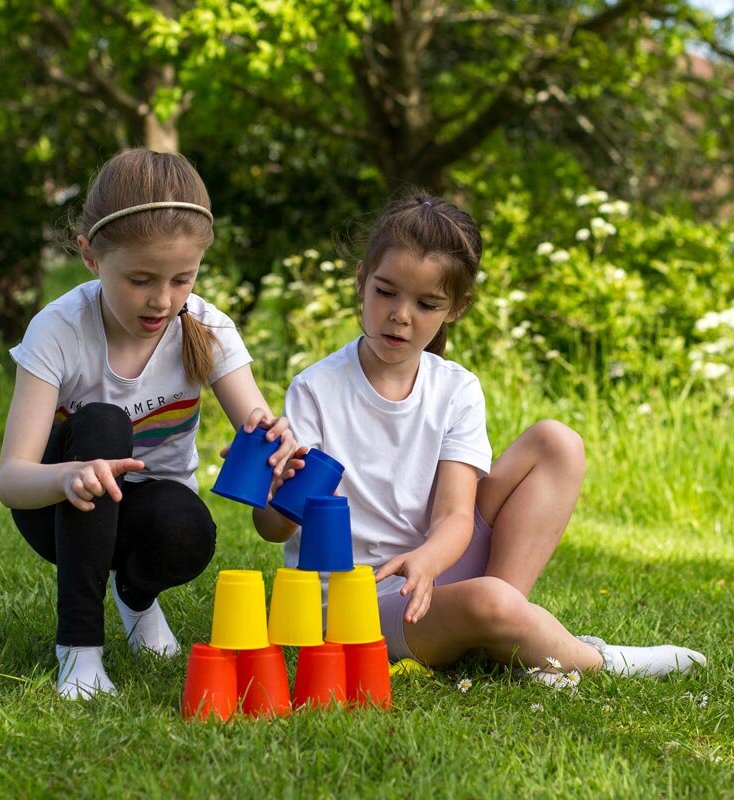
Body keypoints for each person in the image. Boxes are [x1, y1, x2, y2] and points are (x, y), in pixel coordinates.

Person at [254, 195, 706, 681]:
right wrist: (276, 493)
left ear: (456, 308)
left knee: (557, 442)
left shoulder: (456, 388)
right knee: (489, 600)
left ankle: (502, 630)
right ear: (362, 280)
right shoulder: (316, 388)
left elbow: (454, 514)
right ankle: (598, 660)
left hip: (435, 565)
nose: (400, 315)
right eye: (386, 292)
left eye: (426, 303)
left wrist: (428, 559)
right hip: (355, 605)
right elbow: (273, 528)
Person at [0, 149, 295, 700]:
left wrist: (275, 444)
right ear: (90, 256)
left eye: (183, 278)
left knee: (192, 529)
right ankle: (79, 651)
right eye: (140, 279)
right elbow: (10, 479)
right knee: (104, 423)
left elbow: (258, 421)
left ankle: (135, 599)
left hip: (146, 514)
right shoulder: (58, 330)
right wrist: (68, 476)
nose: (163, 299)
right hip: (58, 509)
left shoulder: (205, 326)